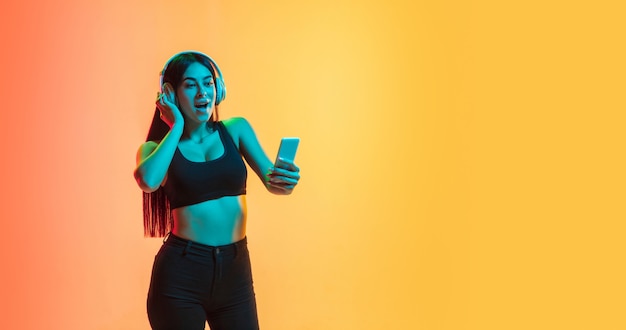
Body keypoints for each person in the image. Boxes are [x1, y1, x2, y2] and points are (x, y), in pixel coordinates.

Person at [133, 51, 300, 330]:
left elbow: (274, 183)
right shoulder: (154, 150)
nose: (203, 93)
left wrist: (286, 180)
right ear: (170, 94)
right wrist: (175, 127)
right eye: (190, 85)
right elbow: (148, 182)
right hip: (181, 275)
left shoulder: (235, 130)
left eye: (208, 83)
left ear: (218, 88)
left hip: (235, 272)